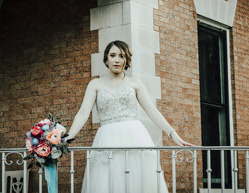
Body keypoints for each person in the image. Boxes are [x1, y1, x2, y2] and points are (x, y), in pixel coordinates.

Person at [66, 40, 193, 193]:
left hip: (135, 137)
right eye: (113, 55)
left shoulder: (135, 83)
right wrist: (67, 137)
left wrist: (173, 134)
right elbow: (83, 113)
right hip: (107, 140)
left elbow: (152, 111)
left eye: (121, 56)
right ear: (106, 58)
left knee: (137, 181)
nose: (117, 60)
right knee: (108, 182)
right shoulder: (95, 84)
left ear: (126, 60)